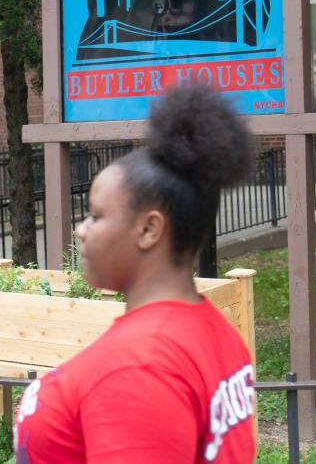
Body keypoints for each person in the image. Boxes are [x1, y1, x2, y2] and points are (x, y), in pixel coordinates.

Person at [14, 84, 257, 463]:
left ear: (149, 229)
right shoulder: (216, 333)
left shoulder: (139, 367)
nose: (82, 229)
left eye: (96, 215)